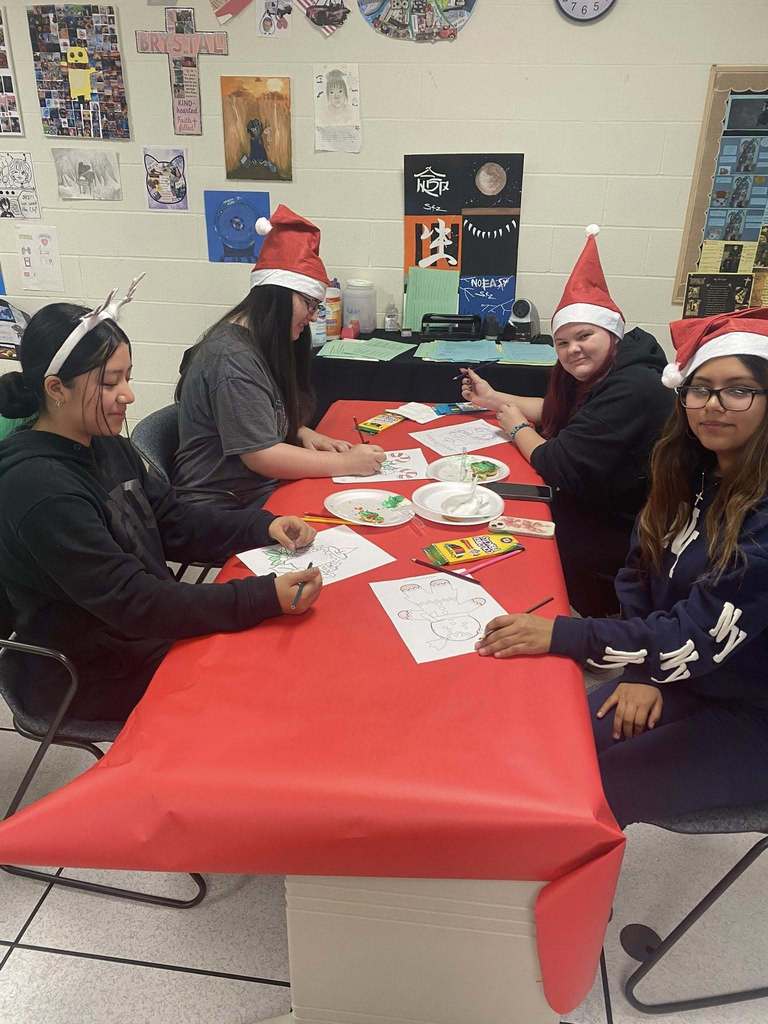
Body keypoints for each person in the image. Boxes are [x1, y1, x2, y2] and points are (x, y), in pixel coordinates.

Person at [475, 309, 768, 829]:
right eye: (700, 389)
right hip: (684, 672)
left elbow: (697, 635)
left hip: (750, 709)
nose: (713, 406)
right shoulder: (688, 470)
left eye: (738, 390)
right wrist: (642, 670)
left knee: (582, 794)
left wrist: (563, 635)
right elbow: (638, 571)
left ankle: (568, 906)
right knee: (549, 749)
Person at [0, 279, 321, 723]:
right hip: (85, 672)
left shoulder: (105, 445)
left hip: (137, 632)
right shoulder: (40, 489)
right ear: (56, 388)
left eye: (127, 377)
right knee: (268, 686)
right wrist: (261, 597)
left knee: (288, 652)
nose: (128, 395)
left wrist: (260, 526)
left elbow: (173, 523)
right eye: (111, 382)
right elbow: (135, 602)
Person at [462, 226, 674, 616]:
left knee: (507, 517)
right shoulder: (602, 371)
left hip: (622, 524)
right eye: (562, 343)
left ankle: (595, 625)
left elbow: (555, 462)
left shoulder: (634, 385)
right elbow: (556, 411)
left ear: (611, 334)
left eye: (584, 336)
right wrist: (493, 399)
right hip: (601, 497)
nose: (573, 349)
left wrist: (515, 427)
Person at [173, 206, 385, 508]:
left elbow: (257, 413)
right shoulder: (230, 357)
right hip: (224, 506)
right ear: (279, 295)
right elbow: (262, 455)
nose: (312, 317)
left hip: (256, 490)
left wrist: (300, 432)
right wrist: (348, 464)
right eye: (309, 304)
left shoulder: (258, 342)